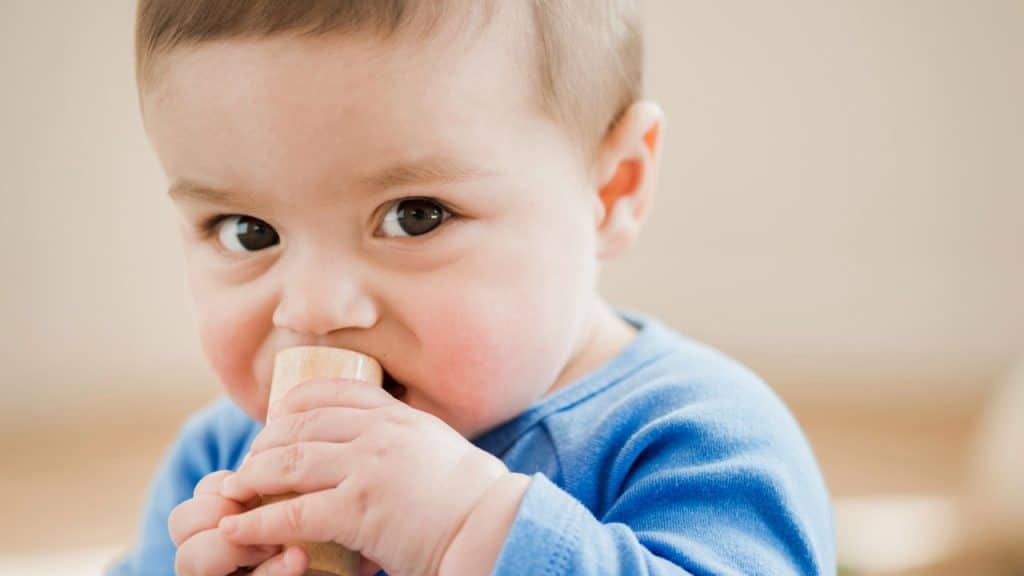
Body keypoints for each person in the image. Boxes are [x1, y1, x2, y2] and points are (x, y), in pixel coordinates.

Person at [111, 1, 834, 574]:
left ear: (612, 190)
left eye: (414, 217)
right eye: (246, 231)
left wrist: (472, 530)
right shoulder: (223, 462)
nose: (312, 308)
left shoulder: (698, 440)